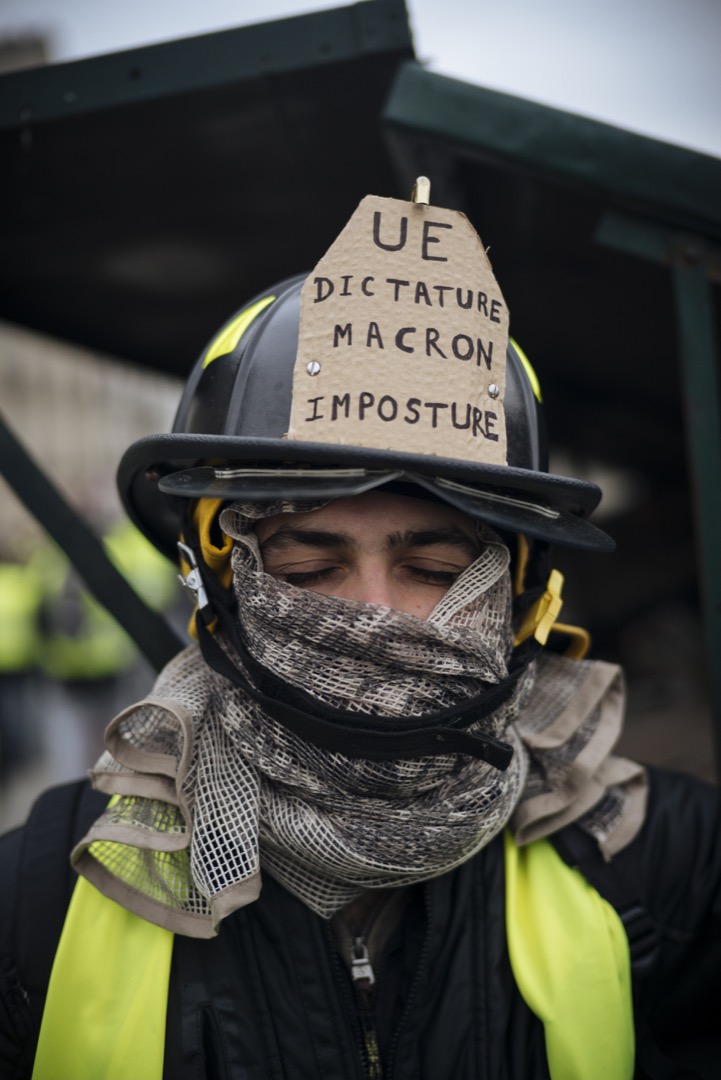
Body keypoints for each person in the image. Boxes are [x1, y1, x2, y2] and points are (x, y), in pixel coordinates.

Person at [1, 190, 719, 1080]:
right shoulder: (37, 895)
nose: (372, 610)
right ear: (219, 582)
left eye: (435, 569)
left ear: (523, 596)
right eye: (308, 568)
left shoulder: (665, 863)